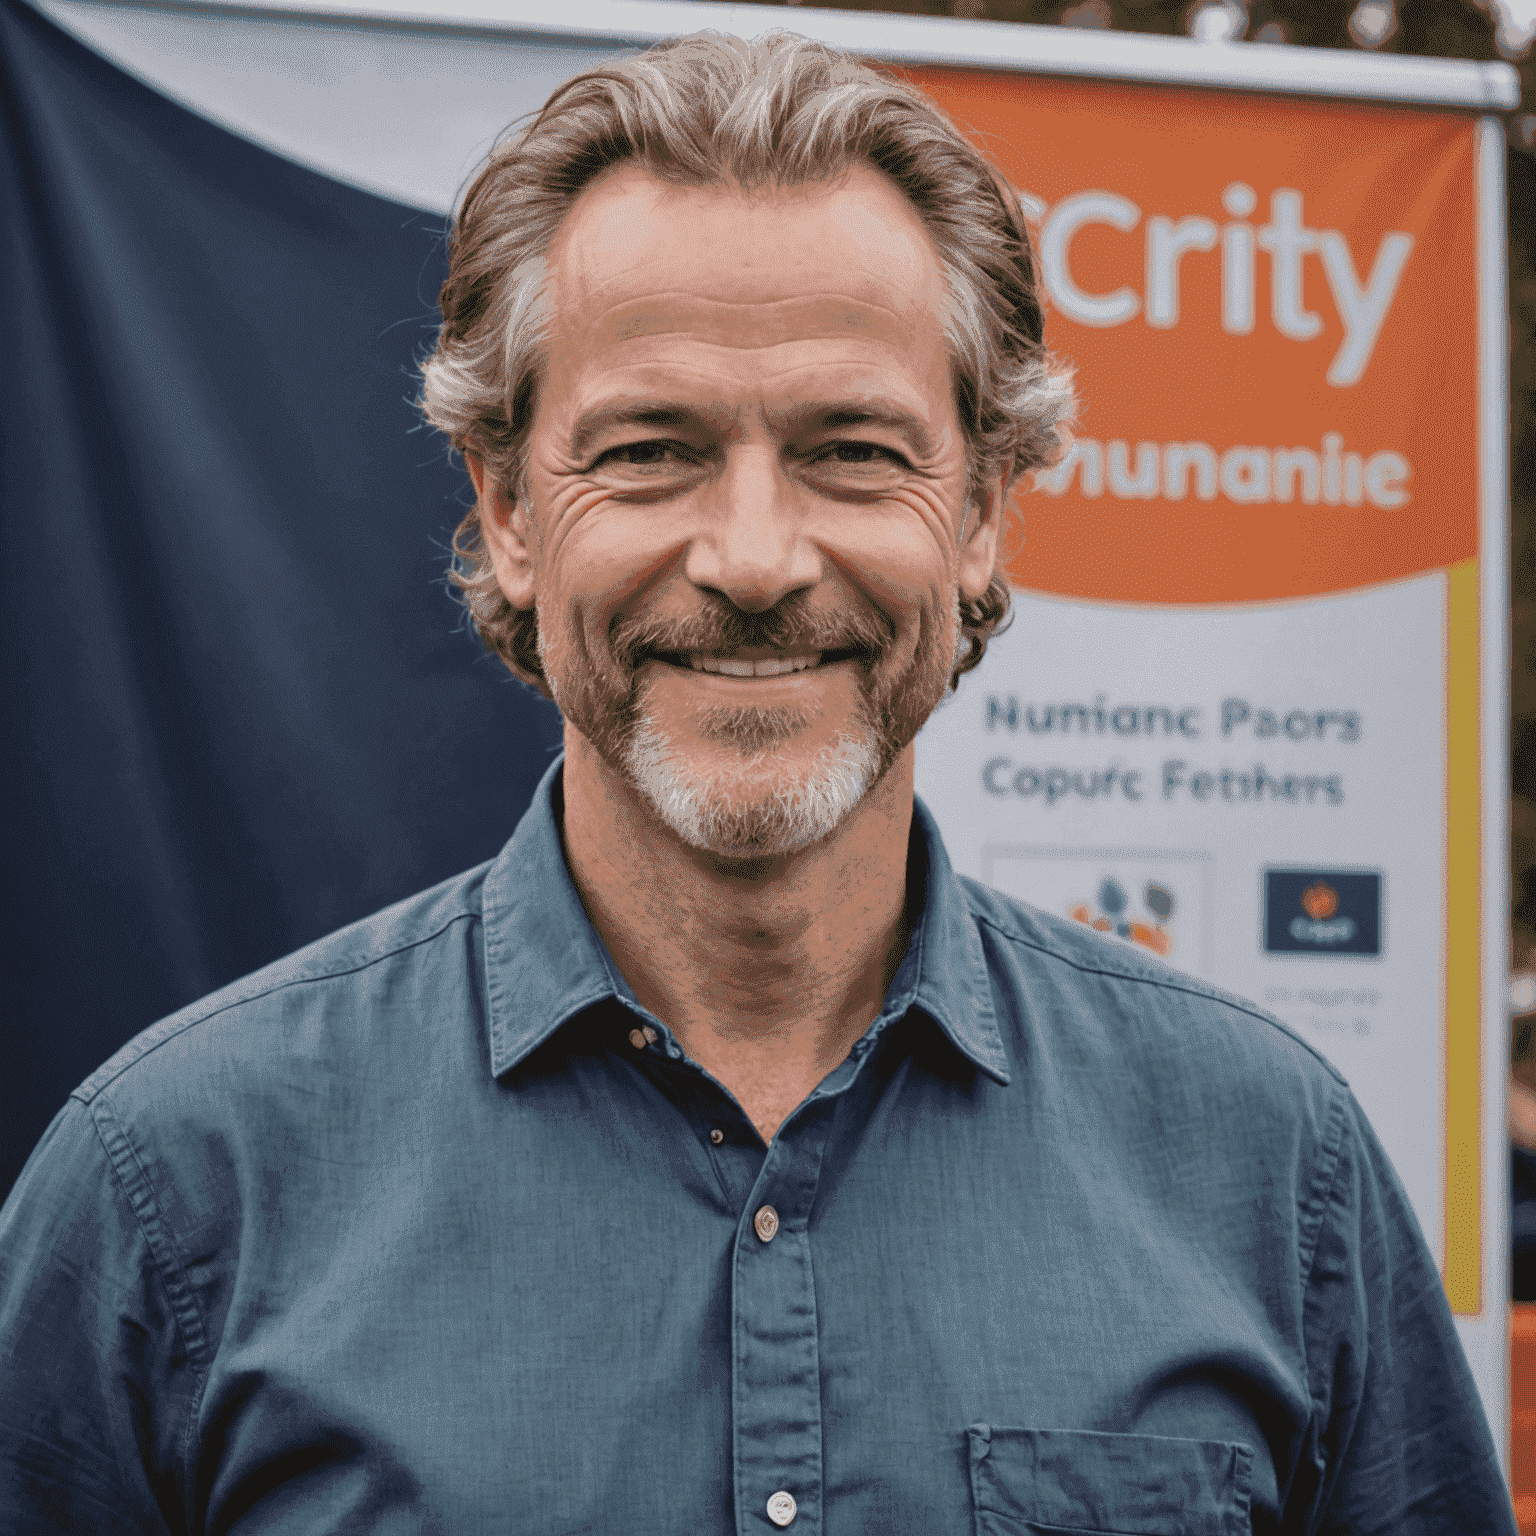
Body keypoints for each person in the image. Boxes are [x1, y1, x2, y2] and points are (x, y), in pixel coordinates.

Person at [0, 31, 1514, 1535]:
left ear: (982, 508)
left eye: (852, 451)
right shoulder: (174, 1194)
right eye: (650, 450)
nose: (752, 559)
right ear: (511, 509)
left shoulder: (1271, 1169)